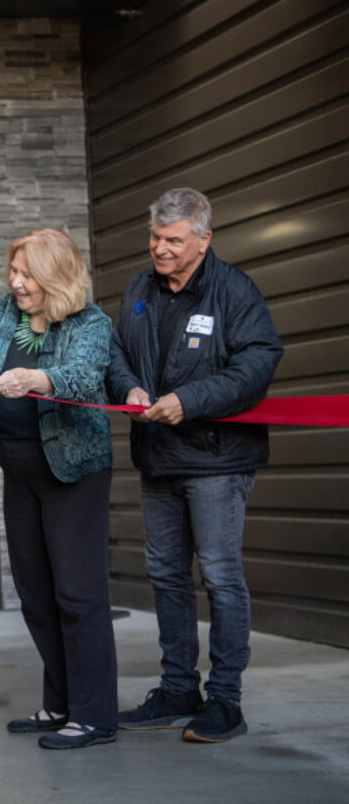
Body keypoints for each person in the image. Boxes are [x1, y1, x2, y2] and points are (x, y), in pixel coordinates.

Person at [107, 187, 283, 743]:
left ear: (203, 240)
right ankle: (178, 689)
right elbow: (115, 354)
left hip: (216, 460)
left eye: (173, 241)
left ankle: (225, 701)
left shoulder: (234, 290)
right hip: (157, 459)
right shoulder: (139, 289)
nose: (160, 249)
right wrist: (130, 388)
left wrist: (191, 400)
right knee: (165, 576)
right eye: (155, 237)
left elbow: (259, 362)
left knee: (221, 577)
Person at [0, 228, 117, 749]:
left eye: (26, 274)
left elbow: (87, 378)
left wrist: (38, 380)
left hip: (74, 472)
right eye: (13, 272)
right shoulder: (1, 313)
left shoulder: (90, 322)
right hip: (17, 469)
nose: (16, 283)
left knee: (78, 595)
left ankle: (94, 716)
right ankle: (60, 702)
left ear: (55, 275)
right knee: (37, 595)